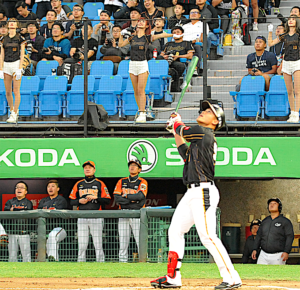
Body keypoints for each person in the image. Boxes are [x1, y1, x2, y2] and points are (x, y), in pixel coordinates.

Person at [151, 101, 242, 289]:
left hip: (203, 190)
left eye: (209, 111)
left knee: (208, 236)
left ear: (216, 121)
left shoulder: (205, 133)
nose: (203, 112)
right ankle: (173, 277)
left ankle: (232, 277)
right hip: (191, 192)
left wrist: (177, 123)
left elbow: (184, 130)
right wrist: (175, 131)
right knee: (175, 230)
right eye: (204, 109)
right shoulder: (199, 140)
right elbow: (184, 152)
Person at [118, 18, 172, 123]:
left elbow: (161, 35)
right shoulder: (132, 37)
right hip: (132, 64)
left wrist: (173, 35)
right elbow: (120, 45)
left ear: (147, 26)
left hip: (142, 64)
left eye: (143, 21)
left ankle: (143, 113)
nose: (140, 22)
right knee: (135, 91)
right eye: (139, 21)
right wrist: (121, 34)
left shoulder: (147, 37)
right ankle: (139, 110)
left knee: (141, 90)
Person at [69, 160, 111, 262]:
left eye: (90, 167)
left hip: (96, 216)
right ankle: (81, 264)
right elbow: (71, 201)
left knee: (98, 244)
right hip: (82, 216)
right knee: (82, 244)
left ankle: (100, 264)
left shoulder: (99, 183)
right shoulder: (79, 184)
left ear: (94, 169)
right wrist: (79, 201)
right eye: (85, 168)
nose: (87, 169)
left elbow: (108, 200)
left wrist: (96, 197)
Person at [113, 159, 148, 262]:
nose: (132, 167)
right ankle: (122, 261)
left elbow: (140, 196)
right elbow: (117, 198)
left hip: (137, 214)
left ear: (139, 169)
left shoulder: (142, 181)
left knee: (139, 239)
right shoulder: (121, 181)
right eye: (131, 165)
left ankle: (144, 260)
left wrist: (126, 196)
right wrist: (132, 200)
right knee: (123, 240)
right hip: (123, 213)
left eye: (135, 165)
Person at [268, 16, 300, 123]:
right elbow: (271, 43)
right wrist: (270, 31)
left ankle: (296, 113)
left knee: (297, 91)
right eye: (290, 19)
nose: (291, 20)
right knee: (289, 91)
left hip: (297, 62)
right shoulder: (284, 36)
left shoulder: (298, 35)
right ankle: (292, 112)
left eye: (293, 19)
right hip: (286, 63)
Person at [252, 198, 294, 265]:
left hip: (278, 255)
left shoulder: (285, 222)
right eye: (270, 204)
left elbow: (290, 237)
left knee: (277, 274)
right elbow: (259, 236)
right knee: (260, 273)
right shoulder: (265, 221)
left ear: (279, 207)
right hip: (263, 254)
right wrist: (254, 249)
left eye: (274, 203)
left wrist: (286, 251)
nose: (272, 205)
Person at [0, 18, 26, 124]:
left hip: (16, 64)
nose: (12, 23)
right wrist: (1, 68)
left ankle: (15, 112)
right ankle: (11, 110)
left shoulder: (20, 39)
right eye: (10, 21)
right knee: (8, 91)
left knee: (16, 90)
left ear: (17, 25)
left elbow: (22, 54)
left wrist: (20, 68)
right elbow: (2, 54)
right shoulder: (3, 39)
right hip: (6, 65)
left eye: (14, 21)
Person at [38, 179, 68, 262]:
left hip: (60, 228)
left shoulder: (61, 200)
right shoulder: (43, 201)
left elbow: (56, 215)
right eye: (48, 186)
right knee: (50, 240)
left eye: (53, 186)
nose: (50, 188)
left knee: (52, 236)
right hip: (46, 229)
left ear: (58, 189)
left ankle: (53, 259)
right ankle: (53, 260)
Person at [4, 181, 33, 262]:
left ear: (26, 192)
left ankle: (27, 273)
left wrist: (14, 210)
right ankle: (13, 274)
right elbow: (6, 211)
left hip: (24, 232)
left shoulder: (28, 202)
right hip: (12, 232)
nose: (19, 189)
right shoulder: (10, 202)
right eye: (17, 187)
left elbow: (27, 211)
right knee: (12, 257)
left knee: (26, 257)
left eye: (22, 187)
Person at [159, 26, 194, 92]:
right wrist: (165, 57)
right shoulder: (168, 44)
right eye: (174, 32)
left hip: (177, 61)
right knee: (159, 59)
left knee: (179, 66)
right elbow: (161, 55)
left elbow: (190, 56)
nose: (176, 34)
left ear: (182, 34)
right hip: (166, 61)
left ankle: (173, 79)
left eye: (178, 32)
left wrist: (178, 56)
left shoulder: (187, 43)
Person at [182, 8, 207, 75]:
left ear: (199, 15)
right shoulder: (184, 26)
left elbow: (202, 38)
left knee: (197, 47)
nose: (193, 14)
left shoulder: (203, 25)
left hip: (194, 43)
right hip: (183, 44)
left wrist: (195, 41)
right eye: (191, 13)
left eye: (195, 12)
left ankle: (195, 68)